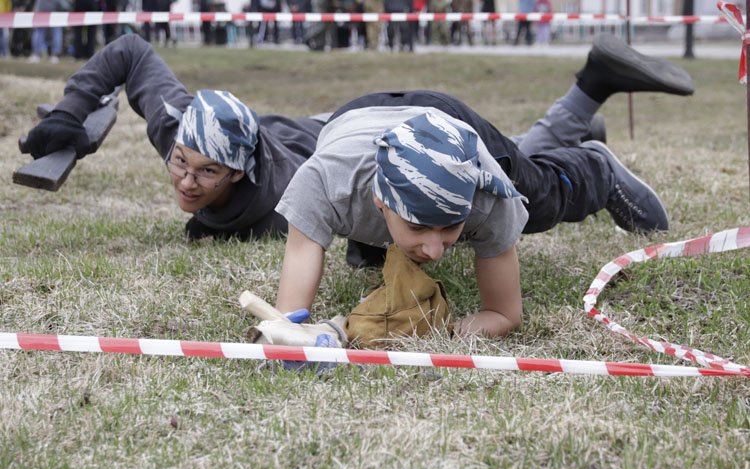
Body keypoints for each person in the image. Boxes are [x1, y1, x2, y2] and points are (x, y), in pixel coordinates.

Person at [20, 33, 692, 258]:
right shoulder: (185, 127)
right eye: (180, 167)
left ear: (244, 169)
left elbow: (370, 219)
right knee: (509, 158)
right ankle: (586, 98)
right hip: (355, 128)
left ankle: (590, 168)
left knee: (511, 194)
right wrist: (70, 120)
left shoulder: (292, 193)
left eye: (207, 174)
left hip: (384, 130)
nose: (186, 183)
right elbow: (129, 52)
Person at [272, 35, 695, 338]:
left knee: (540, 199)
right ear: (379, 200)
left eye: (451, 226)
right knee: (371, 258)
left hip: (449, 119)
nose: (437, 251)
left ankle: (594, 165)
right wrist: (289, 333)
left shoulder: (488, 197)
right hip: (355, 118)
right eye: (419, 227)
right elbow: (286, 320)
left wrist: (444, 331)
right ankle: (583, 101)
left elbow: (504, 313)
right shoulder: (325, 182)